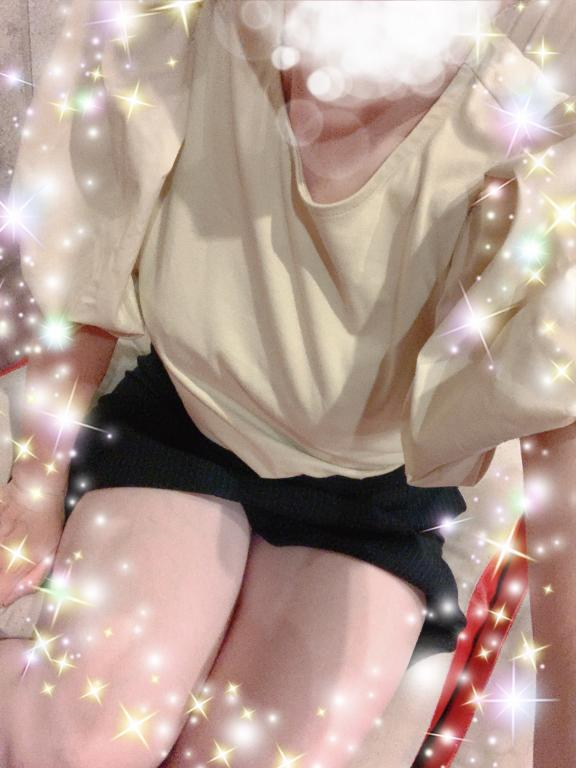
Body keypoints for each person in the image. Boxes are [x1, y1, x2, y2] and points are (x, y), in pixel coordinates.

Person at [0, 1, 574, 766]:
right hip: (185, 420)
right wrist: (35, 484)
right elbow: (94, 223)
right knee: (79, 745)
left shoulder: (544, 44)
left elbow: (559, 381)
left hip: (377, 495)